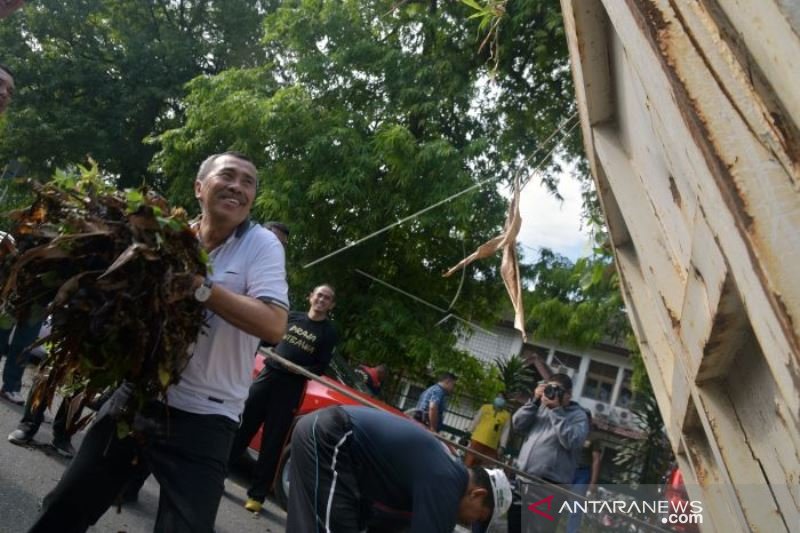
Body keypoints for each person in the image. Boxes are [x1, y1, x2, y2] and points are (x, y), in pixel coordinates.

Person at [26, 151, 290, 533]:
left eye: (248, 182)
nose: (237, 186)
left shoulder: (261, 244)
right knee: (65, 508)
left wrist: (202, 290)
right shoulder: (169, 238)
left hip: (208, 418)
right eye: (227, 176)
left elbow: (275, 325)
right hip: (138, 398)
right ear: (200, 188)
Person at [287, 405, 513, 532]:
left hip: (331, 437)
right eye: (478, 517)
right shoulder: (448, 483)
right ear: (477, 494)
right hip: (333, 435)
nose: (470, 524)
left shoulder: (442, 478)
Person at [228, 283, 338, 513]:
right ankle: (219, 472)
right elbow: (268, 338)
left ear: (331, 305)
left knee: (273, 440)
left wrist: (298, 369)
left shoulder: (328, 333)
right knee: (243, 425)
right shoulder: (293, 317)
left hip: (291, 387)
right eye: (319, 295)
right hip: (268, 376)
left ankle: (257, 495)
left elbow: (320, 366)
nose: (321, 300)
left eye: (327, 298)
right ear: (310, 297)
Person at [508, 373, 589, 533]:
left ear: (569, 395)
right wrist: (534, 400)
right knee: (514, 528)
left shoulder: (578, 415)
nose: (552, 393)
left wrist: (557, 411)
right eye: (549, 388)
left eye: (558, 390)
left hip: (548, 489)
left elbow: (572, 441)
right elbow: (517, 424)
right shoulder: (540, 407)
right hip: (522, 482)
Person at [565, 411, 602, 533]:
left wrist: (593, 482)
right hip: (568, 469)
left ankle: (572, 531)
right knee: (556, 499)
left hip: (583, 474)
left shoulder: (594, 437)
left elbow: (596, 460)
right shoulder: (572, 431)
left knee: (576, 506)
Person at [464, 392, 511, 467]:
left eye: (502, 398)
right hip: (477, 440)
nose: (500, 399)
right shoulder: (485, 407)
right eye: (498, 397)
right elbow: (476, 420)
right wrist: (469, 431)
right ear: (495, 398)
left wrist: (502, 446)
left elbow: (505, 432)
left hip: (491, 446)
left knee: (483, 468)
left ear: (505, 401)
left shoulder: (506, 416)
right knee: (469, 462)